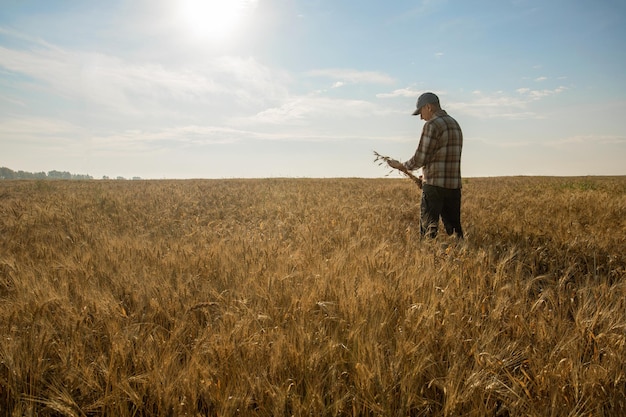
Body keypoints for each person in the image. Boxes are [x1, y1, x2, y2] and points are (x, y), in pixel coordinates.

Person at [388, 92, 464, 239]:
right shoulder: (455, 124)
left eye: (421, 112)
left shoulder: (432, 125)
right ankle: (463, 254)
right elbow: (444, 156)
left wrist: (402, 166)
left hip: (434, 187)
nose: (421, 117)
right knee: (455, 231)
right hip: (454, 186)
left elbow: (420, 157)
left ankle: (427, 259)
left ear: (428, 107)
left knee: (428, 231)